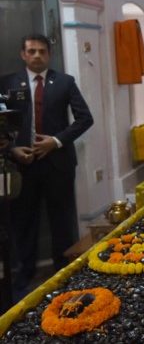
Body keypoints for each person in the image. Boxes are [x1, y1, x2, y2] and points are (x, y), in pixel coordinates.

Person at [2, 34, 93, 300]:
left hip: (58, 166)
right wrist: (12, 149)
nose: (37, 55)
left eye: (42, 51)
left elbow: (85, 119)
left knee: (62, 223)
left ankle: (63, 279)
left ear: (49, 55)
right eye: (32, 51)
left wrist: (55, 141)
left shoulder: (64, 82)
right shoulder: (7, 83)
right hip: (23, 166)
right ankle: (23, 282)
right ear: (23, 54)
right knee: (23, 225)